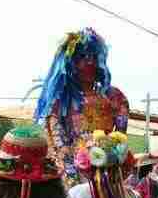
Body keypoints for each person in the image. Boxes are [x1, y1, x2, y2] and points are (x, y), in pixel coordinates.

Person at [34, 28, 129, 187]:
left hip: (107, 174)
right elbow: (58, 143)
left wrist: (109, 158)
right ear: (70, 62)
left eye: (93, 56)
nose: (89, 62)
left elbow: (120, 139)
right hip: (73, 176)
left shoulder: (114, 97)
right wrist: (73, 175)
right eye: (82, 57)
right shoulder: (60, 101)